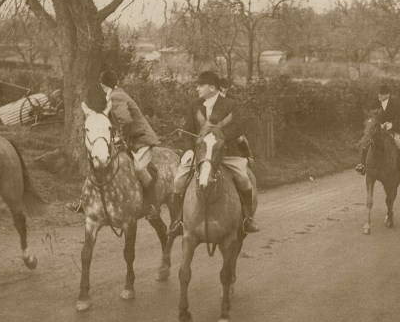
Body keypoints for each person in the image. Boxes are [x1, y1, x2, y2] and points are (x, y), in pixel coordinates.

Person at [168, 70, 259, 236]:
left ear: (212, 87)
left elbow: (237, 128)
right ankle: (178, 221)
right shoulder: (195, 105)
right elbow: (188, 130)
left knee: (244, 179)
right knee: (178, 181)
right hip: (201, 155)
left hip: (226, 153)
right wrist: (188, 150)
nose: (197, 88)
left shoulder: (230, 104)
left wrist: (219, 138)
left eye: (200, 85)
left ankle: (247, 219)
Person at [67, 70, 161, 219]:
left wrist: (122, 138)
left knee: (138, 168)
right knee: (100, 160)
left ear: (103, 86)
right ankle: (83, 200)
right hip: (132, 140)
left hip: (142, 140)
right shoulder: (118, 94)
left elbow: (126, 121)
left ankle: (152, 206)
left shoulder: (115, 97)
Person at [355, 85, 400, 177]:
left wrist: (392, 124)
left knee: (399, 141)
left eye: (382, 94)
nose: (379, 96)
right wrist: (376, 124)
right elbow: (372, 115)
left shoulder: (394, 105)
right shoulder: (377, 104)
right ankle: (362, 164)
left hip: (392, 129)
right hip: (378, 129)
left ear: (388, 95)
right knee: (367, 140)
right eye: (379, 94)